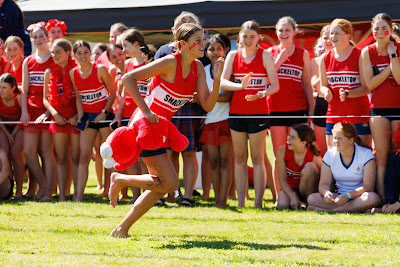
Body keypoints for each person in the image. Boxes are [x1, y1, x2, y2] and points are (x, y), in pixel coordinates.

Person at [108, 23, 224, 237]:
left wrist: (217, 80)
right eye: (197, 40)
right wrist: (145, 111)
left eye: (202, 39)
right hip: (145, 125)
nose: (202, 44)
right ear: (182, 44)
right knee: (167, 183)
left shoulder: (198, 67)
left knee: (163, 185)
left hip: (161, 128)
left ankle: (121, 227)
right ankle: (120, 182)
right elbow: (128, 78)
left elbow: (207, 105)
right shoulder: (170, 62)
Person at [220, 20, 279, 208]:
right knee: (239, 158)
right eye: (244, 36)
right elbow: (222, 82)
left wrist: (261, 93)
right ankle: (241, 203)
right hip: (237, 113)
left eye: (252, 37)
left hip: (258, 113)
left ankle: (258, 204)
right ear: (239, 37)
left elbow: (275, 86)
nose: (248, 40)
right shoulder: (233, 55)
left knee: (257, 157)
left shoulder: (265, 55)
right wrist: (240, 86)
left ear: (258, 38)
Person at [154, 11, 204, 207]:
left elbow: (203, 87)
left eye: (188, 24)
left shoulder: (199, 54)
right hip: (168, 111)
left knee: (189, 151)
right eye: (179, 25)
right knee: (168, 152)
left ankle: (188, 197)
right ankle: (169, 194)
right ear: (174, 31)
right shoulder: (164, 53)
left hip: (190, 109)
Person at [266, 16, 314, 198]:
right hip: (276, 109)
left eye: (287, 30)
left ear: (294, 32)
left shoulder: (302, 53)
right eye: (281, 30)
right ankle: (280, 196)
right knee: (279, 156)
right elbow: (267, 81)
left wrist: (311, 109)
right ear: (276, 33)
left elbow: (307, 84)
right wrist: (277, 61)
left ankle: (301, 194)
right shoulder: (269, 52)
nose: (284, 34)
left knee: (298, 154)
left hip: (297, 109)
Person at [360, 13, 400, 203]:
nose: (381, 32)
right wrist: (389, 67)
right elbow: (370, 84)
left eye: (385, 28)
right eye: (377, 28)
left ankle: (396, 198)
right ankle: (384, 199)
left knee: (397, 154)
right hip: (379, 110)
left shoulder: (399, 48)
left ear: (391, 30)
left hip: (398, 108)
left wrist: (393, 54)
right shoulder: (367, 52)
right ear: (372, 30)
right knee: (382, 156)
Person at [70, 40, 116, 201]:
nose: (83, 56)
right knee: (84, 156)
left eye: (85, 52)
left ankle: (111, 192)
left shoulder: (100, 69)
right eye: (79, 53)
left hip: (104, 117)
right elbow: (79, 97)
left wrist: (104, 112)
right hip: (88, 119)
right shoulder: (73, 73)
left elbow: (112, 93)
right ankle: (79, 196)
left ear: (90, 53)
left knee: (108, 156)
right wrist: (82, 116)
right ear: (74, 55)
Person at [319, 18, 371, 150]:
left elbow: (366, 87)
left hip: (358, 114)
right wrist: (326, 92)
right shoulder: (325, 58)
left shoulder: (360, 55)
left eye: (337, 33)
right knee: (334, 155)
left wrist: (349, 94)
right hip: (334, 114)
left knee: (363, 153)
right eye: (331, 33)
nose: (332, 37)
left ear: (348, 35)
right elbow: (323, 85)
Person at [307, 122, 380, 212]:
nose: (336, 142)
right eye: (335, 138)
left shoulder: (366, 154)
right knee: (312, 198)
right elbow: (323, 184)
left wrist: (348, 195)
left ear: (351, 140)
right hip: (339, 197)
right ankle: (354, 209)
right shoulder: (330, 154)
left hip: (359, 197)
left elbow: (368, 187)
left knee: (373, 198)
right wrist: (326, 193)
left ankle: (332, 211)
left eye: (340, 138)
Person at [20, 22, 56, 201]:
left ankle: (48, 191)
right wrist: (24, 112)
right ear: (31, 40)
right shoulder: (28, 60)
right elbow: (24, 89)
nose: (39, 40)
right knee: (28, 151)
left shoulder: (54, 58)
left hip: (48, 110)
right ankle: (42, 186)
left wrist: (48, 113)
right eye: (35, 37)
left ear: (47, 37)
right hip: (31, 111)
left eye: (42, 36)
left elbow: (56, 91)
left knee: (47, 152)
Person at [43, 38, 79, 201]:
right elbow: (45, 99)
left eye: (58, 52)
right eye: (53, 52)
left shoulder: (77, 70)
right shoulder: (49, 72)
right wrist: (54, 114)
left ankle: (77, 193)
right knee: (61, 157)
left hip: (75, 119)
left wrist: (77, 115)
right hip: (58, 119)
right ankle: (62, 195)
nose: (54, 55)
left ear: (67, 53)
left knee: (76, 157)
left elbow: (80, 96)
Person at [200, 34, 233, 207]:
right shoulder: (203, 71)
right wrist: (207, 98)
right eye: (211, 49)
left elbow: (227, 96)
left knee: (226, 163)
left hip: (226, 120)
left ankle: (224, 200)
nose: (215, 52)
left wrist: (206, 98)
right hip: (210, 122)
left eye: (218, 48)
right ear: (206, 51)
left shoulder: (228, 70)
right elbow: (202, 97)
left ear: (225, 50)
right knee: (213, 163)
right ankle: (216, 199)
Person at [276, 124, 321, 210]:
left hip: (307, 190)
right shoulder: (282, 151)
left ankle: (309, 203)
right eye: (289, 136)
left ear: (303, 142)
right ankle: (296, 201)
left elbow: (325, 177)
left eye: (293, 138)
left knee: (310, 167)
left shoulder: (314, 156)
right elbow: (282, 180)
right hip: (290, 188)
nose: (288, 139)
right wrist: (292, 196)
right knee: (282, 206)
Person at [311, 25, 333, 157]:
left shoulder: (345, 58)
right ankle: (326, 178)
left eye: (331, 37)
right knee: (324, 152)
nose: (329, 40)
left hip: (341, 104)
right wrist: (326, 62)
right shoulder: (316, 61)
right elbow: (315, 85)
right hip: (322, 105)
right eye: (325, 38)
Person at [0, 73, 23, 198]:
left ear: (13, 88)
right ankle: (8, 189)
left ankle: (19, 190)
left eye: (4, 87)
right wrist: (7, 135)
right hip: (4, 127)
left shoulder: (19, 97)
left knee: (15, 154)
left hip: (19, 127)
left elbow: (23, 116)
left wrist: (13, 134)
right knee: (5, 153)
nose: (1, 90)